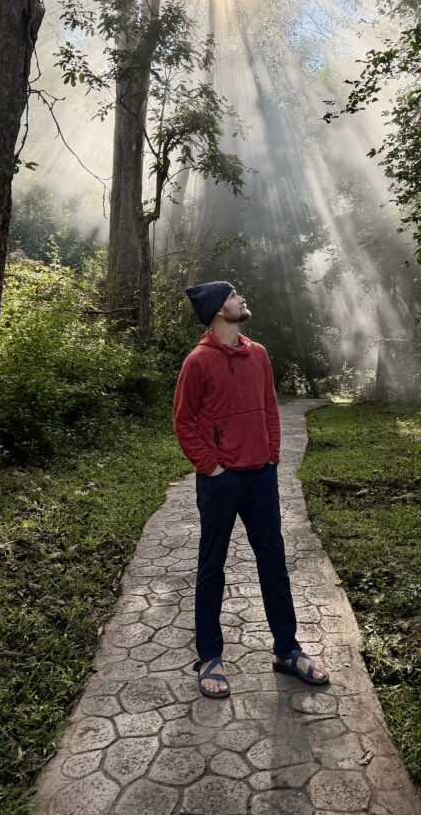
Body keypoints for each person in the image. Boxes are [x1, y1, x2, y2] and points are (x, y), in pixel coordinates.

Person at [173, 280, 328, 698]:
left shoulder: (258, 354)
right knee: (212, 566)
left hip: (261, 476)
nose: (243, 298)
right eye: (234, 295)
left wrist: (272, 455)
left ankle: (287, 650)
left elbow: (269, 406)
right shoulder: (198, 362)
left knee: (273, 562)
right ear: (219, 311)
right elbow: (184, 422)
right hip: (220, 482)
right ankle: (210, 656)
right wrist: (212, 467)